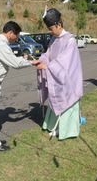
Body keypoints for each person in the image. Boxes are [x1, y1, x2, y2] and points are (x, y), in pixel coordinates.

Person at [0, 21, 40, 151]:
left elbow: (11, 58)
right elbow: (15, 63)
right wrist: (32, 62)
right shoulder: (0, 44)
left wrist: (25, 58)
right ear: (10, 33)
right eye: (16, 36)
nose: (17, 39)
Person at [36, 8, 83, 140]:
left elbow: (65, 62)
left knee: (66, 102)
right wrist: (40, 60)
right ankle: (53, 125)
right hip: (56, 76)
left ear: (59, 25)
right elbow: (48, 54)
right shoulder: (54, 39)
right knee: (55, 99)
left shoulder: (70, 40)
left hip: (68, 80)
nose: (50, 32)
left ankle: (65, 129)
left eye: (51, 29)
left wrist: (47, 66)